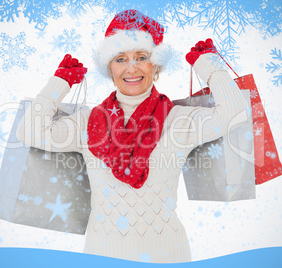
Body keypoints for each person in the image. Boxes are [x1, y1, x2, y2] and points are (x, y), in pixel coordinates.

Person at [16, 9, 248, 263]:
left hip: (167, 256)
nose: (131, 68)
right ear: (109, 67)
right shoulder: (87, 121)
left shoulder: (179, 119)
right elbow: (29, 131)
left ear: (155, 63)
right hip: (101, 253)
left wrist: (210, 67)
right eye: (120, 59)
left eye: (141, 57)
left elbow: (235, 113)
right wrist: (59, 83)